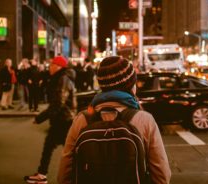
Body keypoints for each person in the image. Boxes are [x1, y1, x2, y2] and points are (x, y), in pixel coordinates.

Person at [57, 56, 171, 184]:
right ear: (130, 86)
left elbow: (64, 173)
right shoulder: (144, 120)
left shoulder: (82, 120)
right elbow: (162, 175)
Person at [24, 56, 76, 184]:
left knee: (69, 151)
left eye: (52, 65)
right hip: (62, 119)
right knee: (55, 147)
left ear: (58, 66)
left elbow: (58, 102)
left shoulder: (62, 79)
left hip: (63, 120)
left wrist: (40, 118)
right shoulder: (60, 78)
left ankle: (44, 174)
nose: (50, 67)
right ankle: (42, 174)